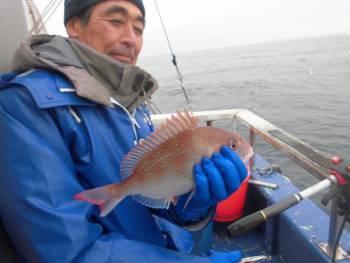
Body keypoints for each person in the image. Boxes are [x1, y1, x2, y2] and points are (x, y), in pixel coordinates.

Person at [0, 0, 248, 262]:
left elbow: (149, 198)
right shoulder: (25, 104)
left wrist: (194, 203)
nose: (131, 39)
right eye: (116, 21)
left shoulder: (132, 103)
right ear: (74, 25)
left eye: (139, 29)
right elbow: (63, 250)